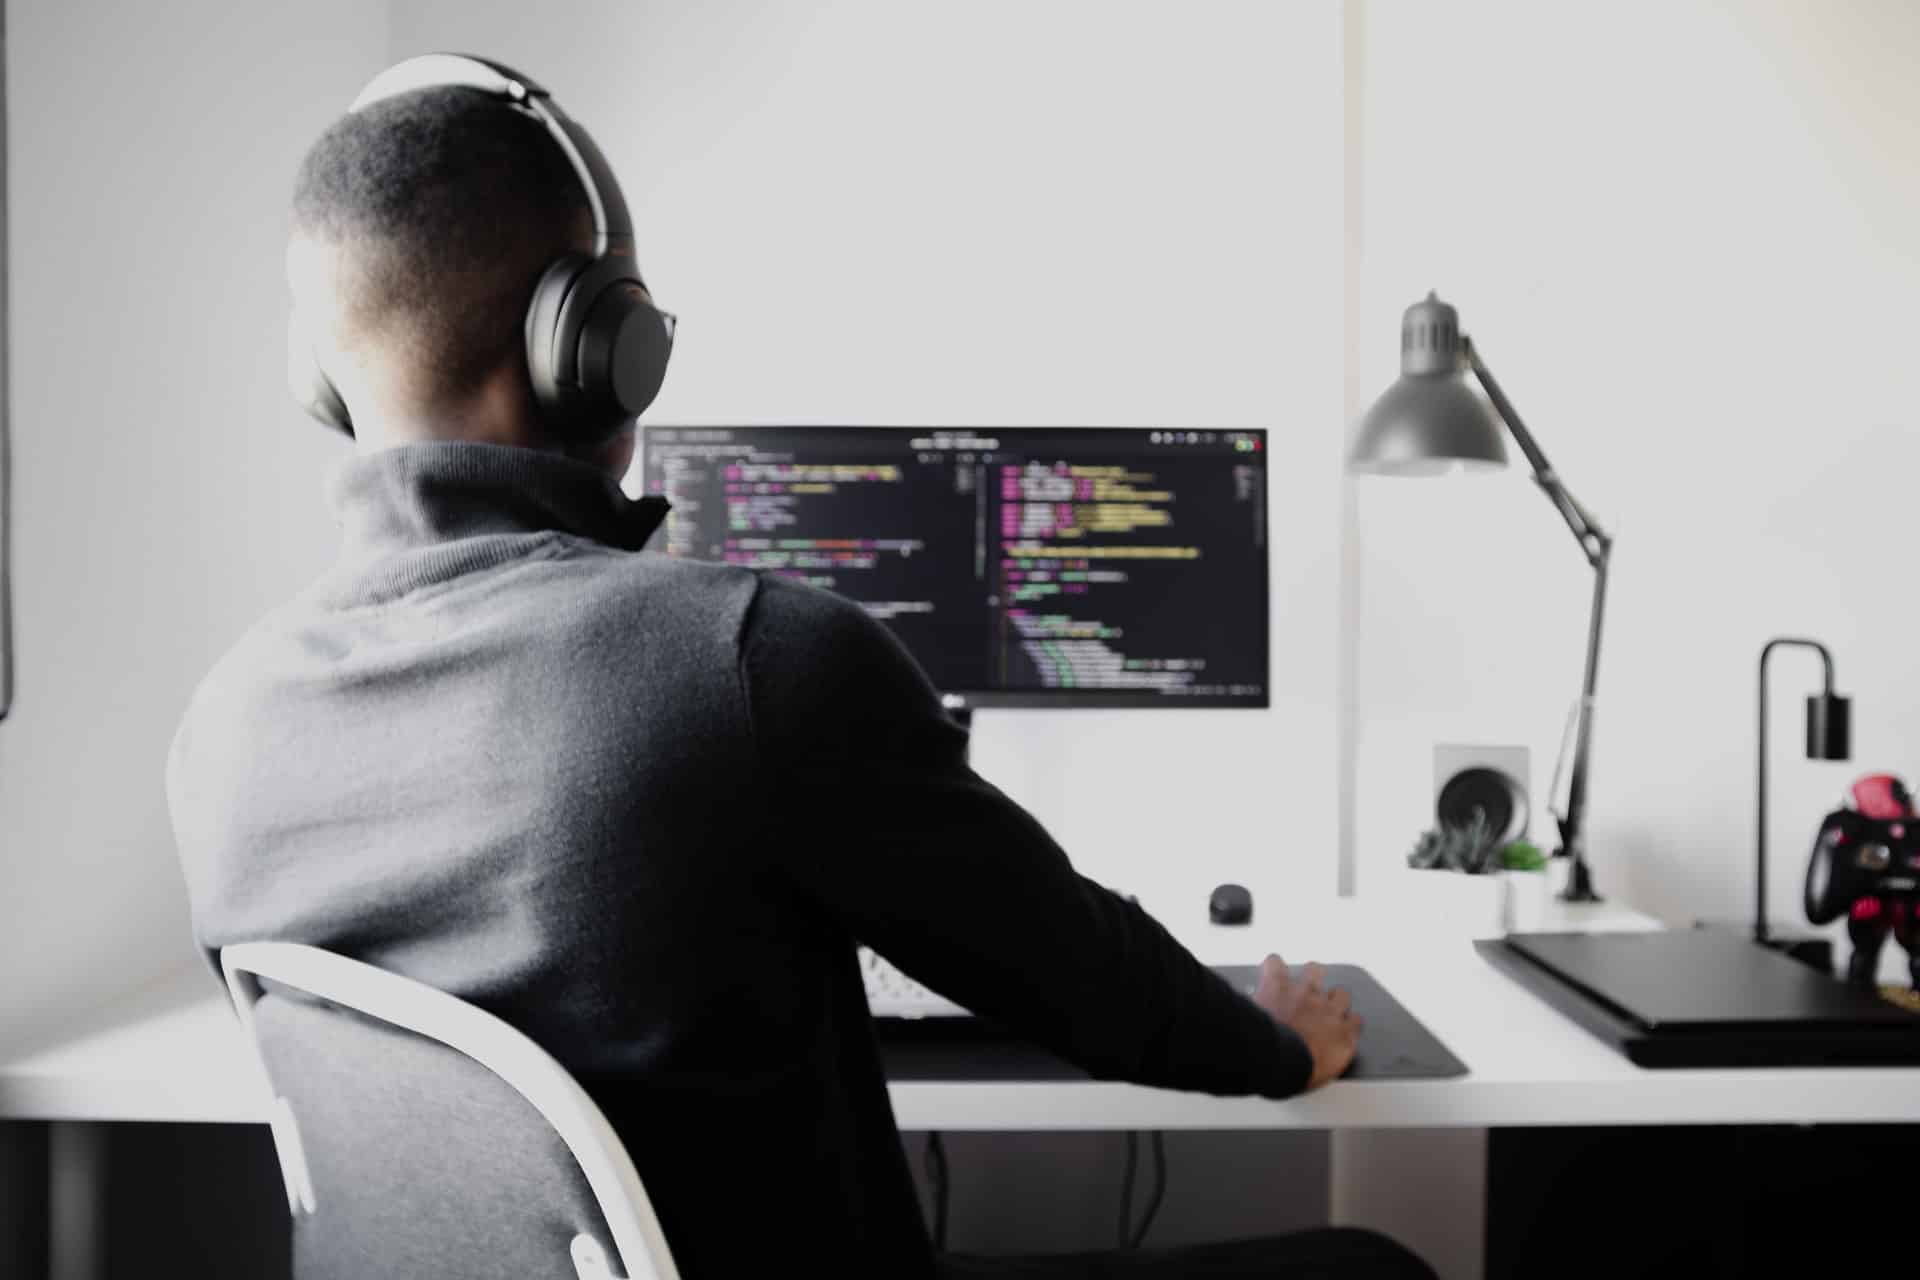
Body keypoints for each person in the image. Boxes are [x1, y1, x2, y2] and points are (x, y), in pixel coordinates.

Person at [167, 66, 1433, 1280]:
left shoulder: (221, 727)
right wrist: (1278, 1043)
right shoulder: (750, 655)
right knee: (1372, 1265)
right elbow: (1082, 975)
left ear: (325, 375)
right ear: (593, 345)